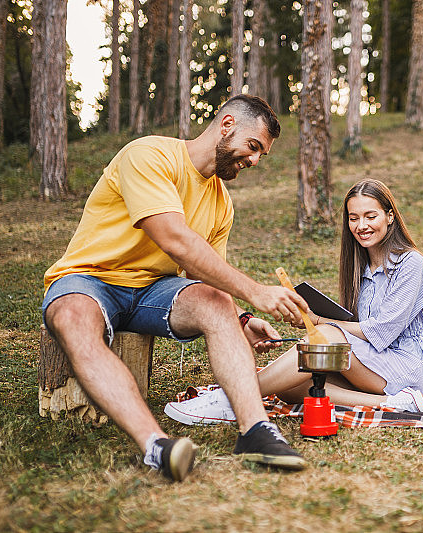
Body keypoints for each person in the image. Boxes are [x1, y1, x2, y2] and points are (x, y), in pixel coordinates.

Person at [42, 95, 310, 482]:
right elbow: (174, 239)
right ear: (227, 123)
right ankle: (156, 445)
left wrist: (243, 317)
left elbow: (206, 276)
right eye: (253, 147)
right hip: (90, 278)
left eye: (261, 156)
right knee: (71, 317)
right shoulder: (149, 155)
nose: (254, 161)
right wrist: (256, 292)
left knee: (216, 301)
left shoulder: (221, 203)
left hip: (152, 289)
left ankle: (255, 431)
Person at [165, 178, 423, 425]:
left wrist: (320, 322)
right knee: (292, 385)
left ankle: (232, 397)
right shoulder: (361, 266)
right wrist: (317, 320)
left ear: (390, 217)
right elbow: (358, 328)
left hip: (410, 366)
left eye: (370, 216)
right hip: (377, 364)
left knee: (325, 336)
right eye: (353, 218)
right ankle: (392, 403)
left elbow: (381, 331)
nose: (361, 226)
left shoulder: (411, 263)